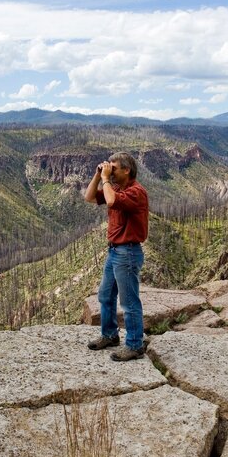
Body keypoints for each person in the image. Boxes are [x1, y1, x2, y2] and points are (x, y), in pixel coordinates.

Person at [83, 152, 149, 361]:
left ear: (126, 170)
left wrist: (105, 179)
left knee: (128, 301)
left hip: (127, 252)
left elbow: (111, 201)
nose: (110, 170)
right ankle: (110, 335)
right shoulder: (117, 188)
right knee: (105, 295)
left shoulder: (136, 192)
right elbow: (90, 197)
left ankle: (135, 345)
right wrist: (97, 175)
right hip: (115, 251)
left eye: (114, 167)